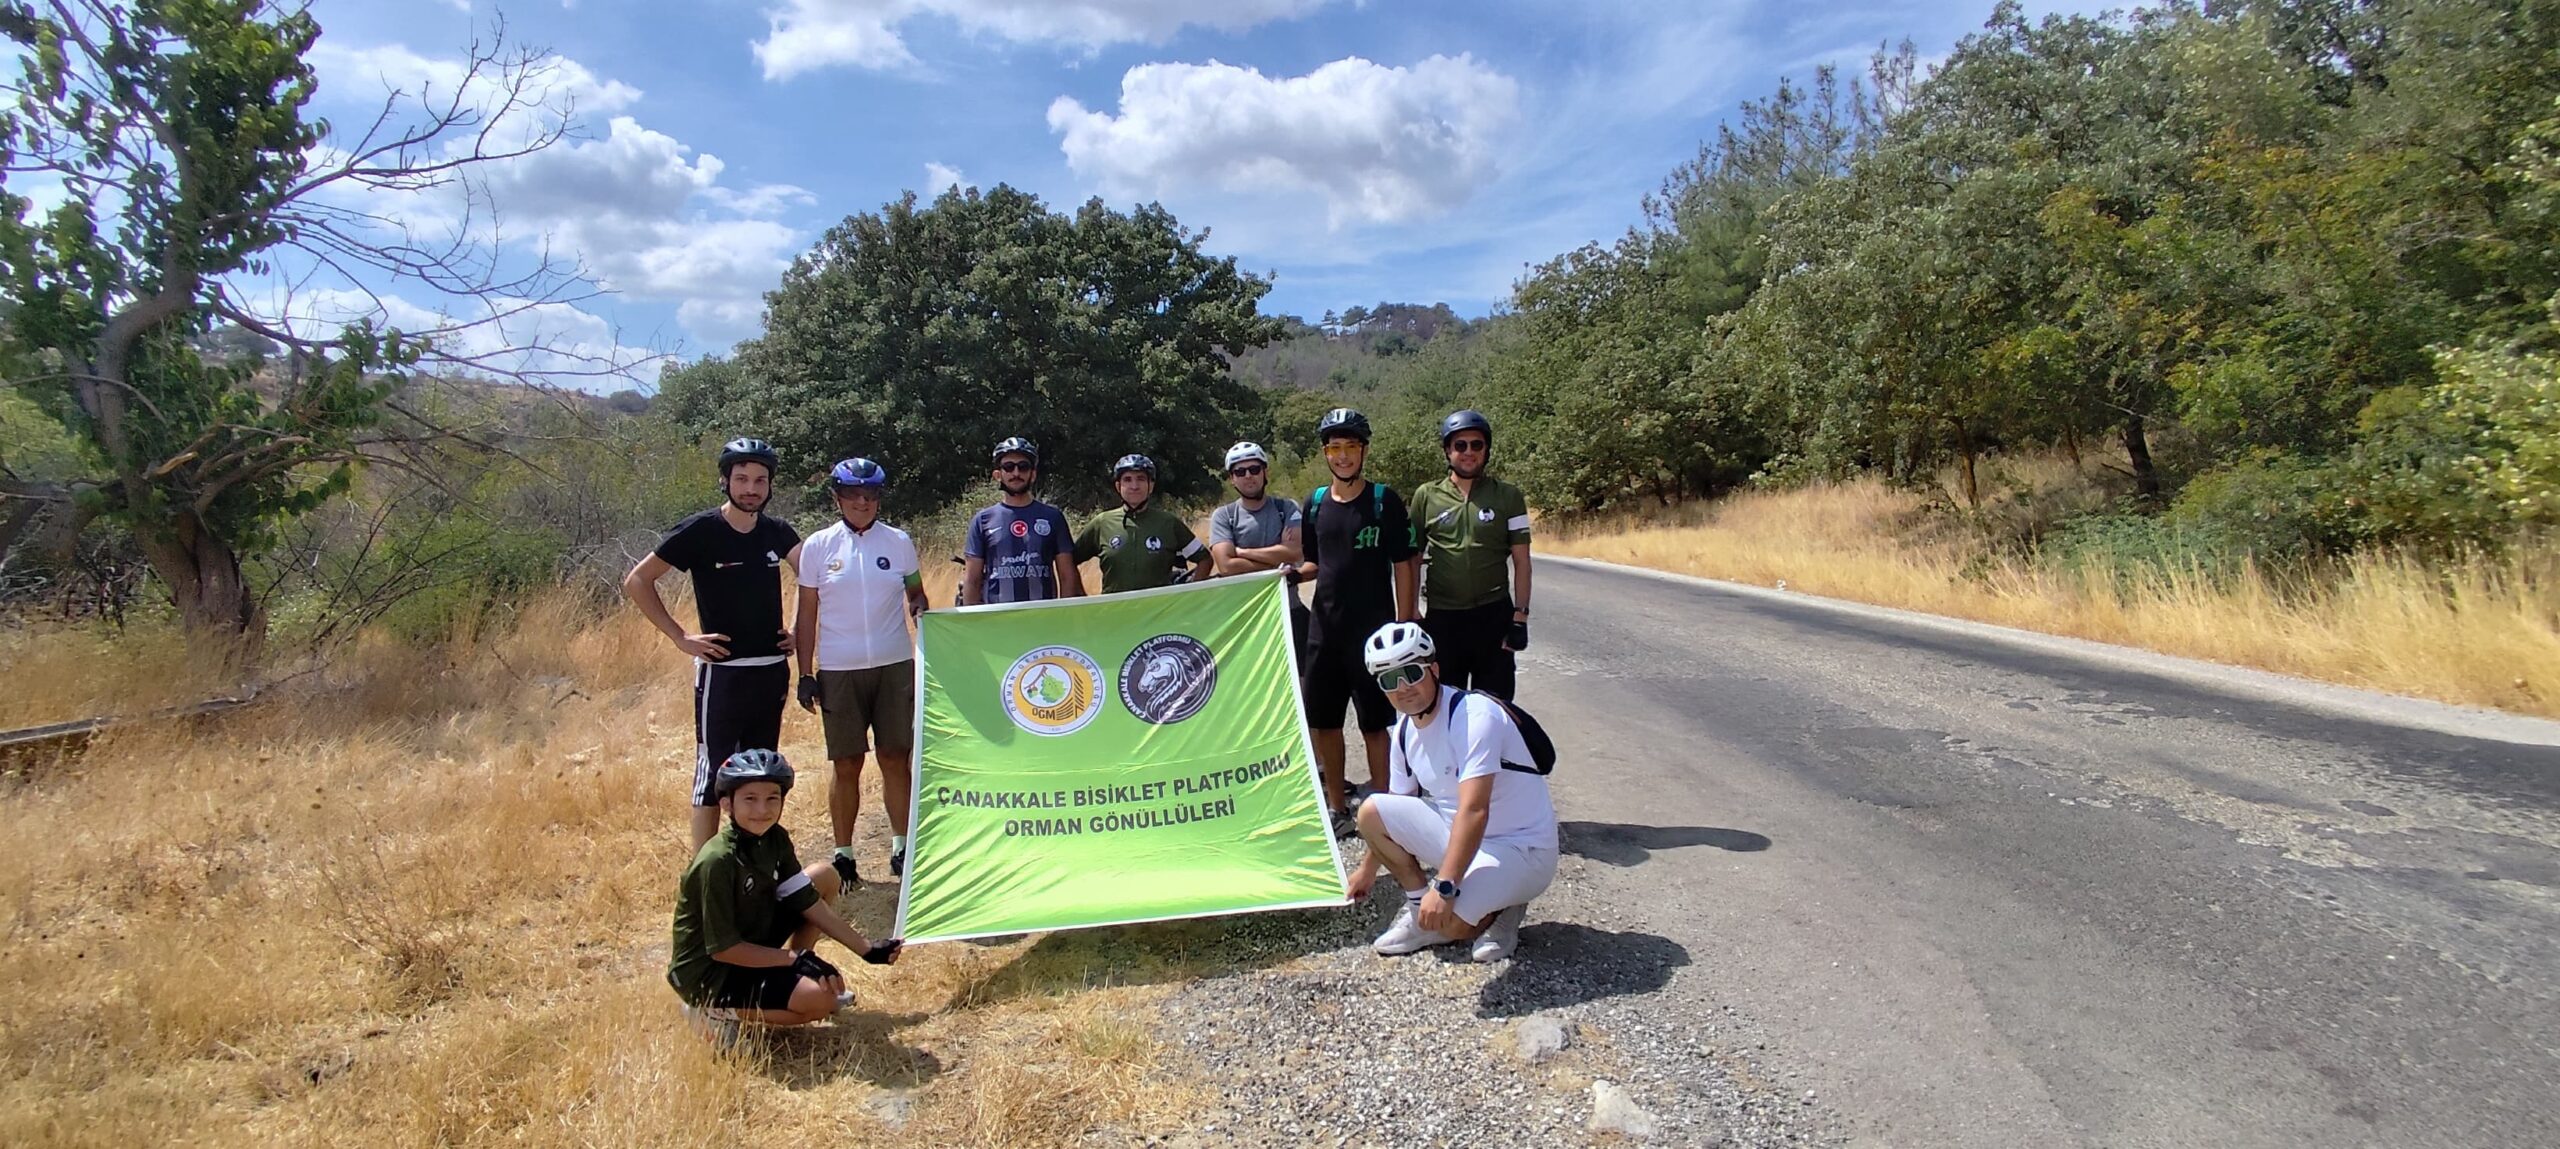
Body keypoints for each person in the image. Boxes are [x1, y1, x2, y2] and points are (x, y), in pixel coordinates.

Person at [624, 437, 801, 850]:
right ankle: (704, 871)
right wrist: (680, 636)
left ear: (770, 485)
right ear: (725, 481)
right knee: (713, 773)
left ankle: (750, 862)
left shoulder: (777, 532)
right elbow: (638, 580)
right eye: (741, 479)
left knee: (761, 774)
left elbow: (816, 579)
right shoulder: (701, 530)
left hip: (771, 672)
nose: (751, 488)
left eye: (760, 480)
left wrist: (797, 630)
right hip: (722, 674)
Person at [1346, 622, 1558, 963]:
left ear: (1434, 669)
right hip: (1462, 837)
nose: (1403, 688)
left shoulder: (1474, 716)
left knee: (1454, 926)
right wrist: (1367, 869)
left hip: (1522, 849)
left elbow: (1475, 810)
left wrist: (1444, 887)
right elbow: (1397, 806)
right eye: (1389, 680)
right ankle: (1419, 912)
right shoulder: (1404, 731)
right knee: (1371, 812)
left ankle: (1507, 909)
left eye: (1411, 673)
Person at [668, 750, 903, 1040]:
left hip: (751, 941)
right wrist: (795, 958)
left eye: (772, 798)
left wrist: (866, 949)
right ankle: (711, 1009)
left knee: (824, 876)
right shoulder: (717, 860)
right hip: (711, 971)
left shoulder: (775, 838)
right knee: (823, 1001)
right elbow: (724, 949)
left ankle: (794, 980)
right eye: (750, 799)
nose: (762, 809)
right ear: (727, 804)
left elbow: (807, 901)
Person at [794, 458, 929, 886]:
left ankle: (903, 847)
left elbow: (916, 593)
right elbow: (806, 613)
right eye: (853, 495)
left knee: (895, 757)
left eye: (870, 495)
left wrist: (920, 609)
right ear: (837, 498)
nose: (863, 503)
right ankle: (844, 853)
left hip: (894, 665)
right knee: (847, 762)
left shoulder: (899, 542)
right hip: (839, 667)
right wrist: (804, 673)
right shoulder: (818, 546)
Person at [1291, 408, 1418, 837]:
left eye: (1350, 447)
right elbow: (1315, 563)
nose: (1342, 455)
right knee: (1325, 722)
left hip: (1374, 634)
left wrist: (1405, 624)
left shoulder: (1383, 500)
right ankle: (1337, 807)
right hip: (1324, 632)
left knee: (1375, 724)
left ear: (1363, 450)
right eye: (1334, 448)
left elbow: (1403, 563)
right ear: (1325, 453)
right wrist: (1291, 576)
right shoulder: (1315, 504)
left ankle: (1383, 809)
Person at [1409, 410, 1533, 699]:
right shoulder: (1426, 496)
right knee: (1445, 706)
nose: (1468, 452)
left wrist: (1520, 617)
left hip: (1493, 616)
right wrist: (1411, 613)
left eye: (1476, 445)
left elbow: (1522, 561)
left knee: (1495, 708)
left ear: (1486, 450)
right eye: (1460, 445)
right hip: (1443, 619)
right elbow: (1412, 560)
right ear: (1447, 450)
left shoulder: (1509, 496)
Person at [1206, 441, 1307, 653]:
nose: (1248, 476)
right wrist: (1277, 565)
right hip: (1245, 616)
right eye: (1240, 472)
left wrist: (1241, 552)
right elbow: (1226, 566)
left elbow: (1295, 553)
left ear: (1265, 472)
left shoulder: (1287, 507)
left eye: (1254, 469)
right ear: (1232, 479)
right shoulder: (1223, 516)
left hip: (1289, 609)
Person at [961, 437, 1082, 605]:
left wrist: (1065, 614)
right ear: (998, 475)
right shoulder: (982, 520)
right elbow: (972, 580)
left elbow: (1067, 576)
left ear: (1033, 474)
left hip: (1043, 616)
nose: (1016, 473)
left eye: (1023, 467)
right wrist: (970, 619)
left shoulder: (1053, 517)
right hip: (998, 617)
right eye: (1008, 467)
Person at [1075, 453, 1211, 594]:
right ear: (1118, 486)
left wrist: (1189, 595)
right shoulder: (1102, 523)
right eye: (1127, 480)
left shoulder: (1169, 523)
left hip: (1160, 606)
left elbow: (1205, 559)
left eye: (1140, 479)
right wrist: (1080, 597)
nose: (1134, 486)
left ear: (1150, 486)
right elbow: (1069, 562)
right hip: (1114, 607)